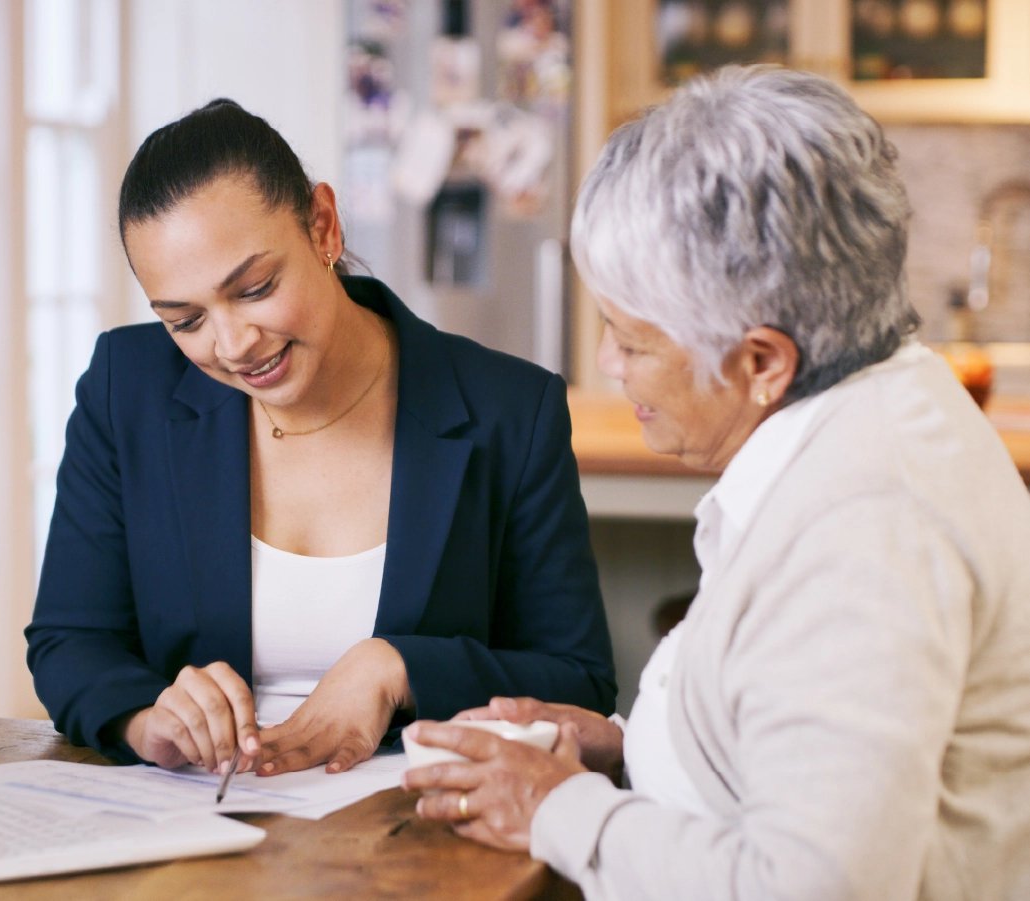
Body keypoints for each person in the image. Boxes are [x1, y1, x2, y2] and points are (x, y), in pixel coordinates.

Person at [402, 65, 1030, 900]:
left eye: (632, 340)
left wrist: (558, 808)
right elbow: (797, 744)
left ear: (762, 361)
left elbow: (813, 885)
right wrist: (628, 745)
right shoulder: (877, 408)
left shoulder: (862, 533)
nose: (607, 362)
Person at [24, 98, 616, 780]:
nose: (233, 345)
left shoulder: (509, 410)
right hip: (199, 816)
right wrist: (146, 719)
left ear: (324, 226)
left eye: (255, 288)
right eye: (185, 321)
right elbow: (69, 640)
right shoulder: (125, 388)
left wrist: (398, 667)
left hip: (415, 817)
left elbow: (579, 682)